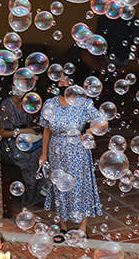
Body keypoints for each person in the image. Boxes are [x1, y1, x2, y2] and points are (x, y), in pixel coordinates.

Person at [38, 76, 105, 238]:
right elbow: (46, 130)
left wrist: (88, 132)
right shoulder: (50, 104)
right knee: (59, 187)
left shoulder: (83, 104)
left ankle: (82, 227)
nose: (63, 83)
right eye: (59, 81)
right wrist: (44, 154)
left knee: (81, 186)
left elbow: (101, 122)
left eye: (66, 80)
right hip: (56, 151)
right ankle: (62, 227)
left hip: (78, 151)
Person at [0, 81, 44, 206]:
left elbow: (28, 123)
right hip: (9, 144)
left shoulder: (26, 104)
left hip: (24, 140)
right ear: (11, 87)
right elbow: (1, 132)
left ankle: (37, 191)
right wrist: (23, 131)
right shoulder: (6, 106)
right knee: (25, 158)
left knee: (41, 152)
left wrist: (33, 129)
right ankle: (28, 196)